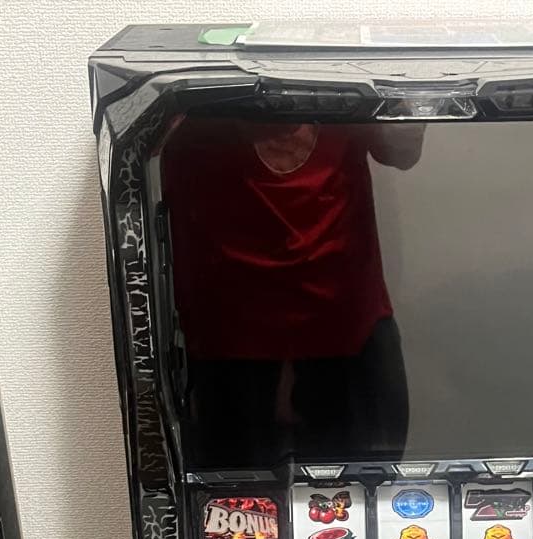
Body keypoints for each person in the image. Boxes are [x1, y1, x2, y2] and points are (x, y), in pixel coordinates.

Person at [160, 116, 423, 467]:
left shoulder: (340, 75)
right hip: (228, 336)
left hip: (346, 321)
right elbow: (136, 142)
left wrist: (400, 85)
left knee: (369, 492)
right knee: (229, 497)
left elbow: (403, 148)